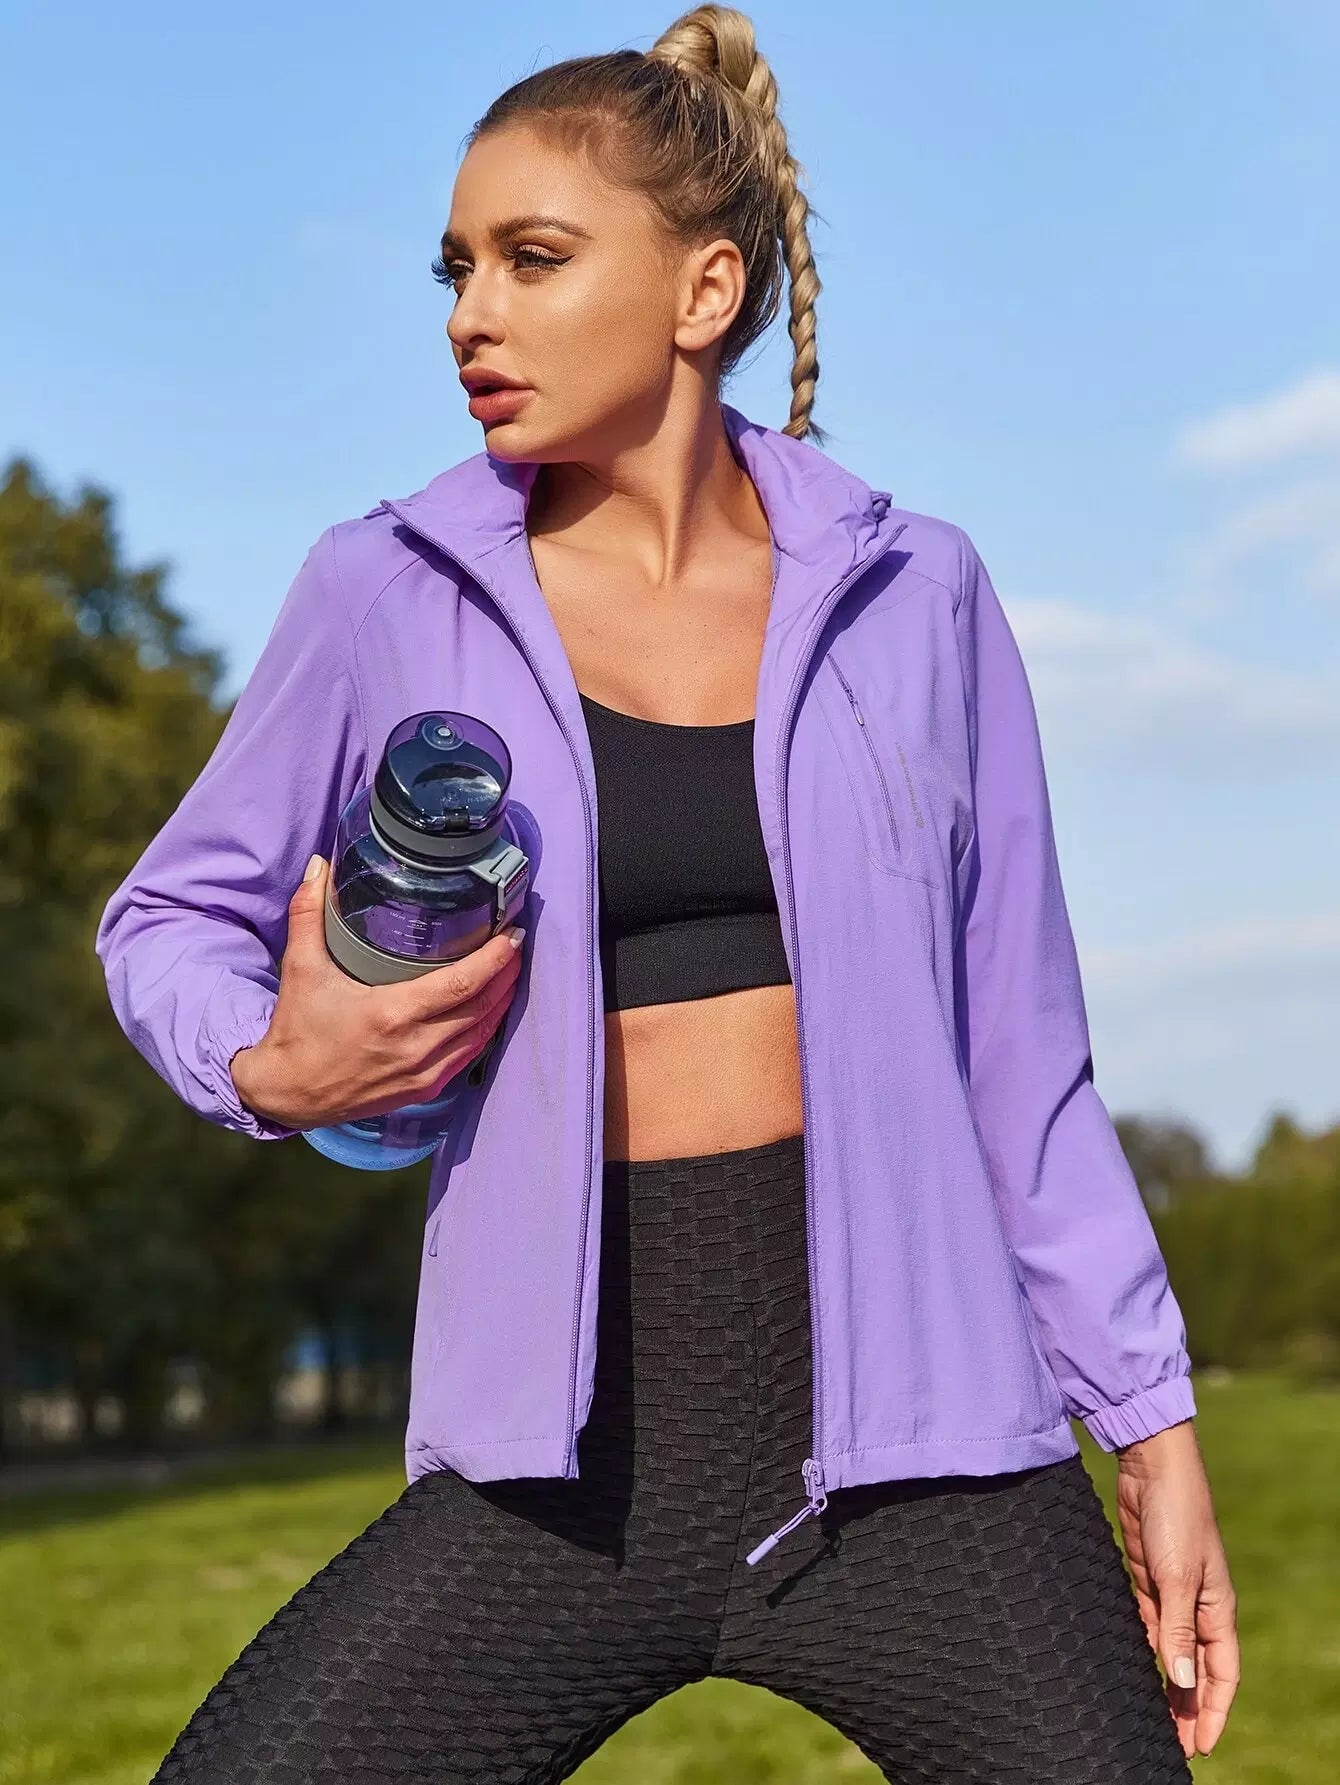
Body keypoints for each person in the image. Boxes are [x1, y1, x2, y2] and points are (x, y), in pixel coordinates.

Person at [94, 7, 1240, 1779]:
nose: (471, 314)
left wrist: (1150, 1423)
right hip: (559, 1472)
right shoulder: (384, 588)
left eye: (534, 258)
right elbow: (164, 918)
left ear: (706, 290)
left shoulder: (918, 595)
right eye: (457, 268)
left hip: (935, 1462)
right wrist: (273, 1065)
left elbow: (1025, 1063)